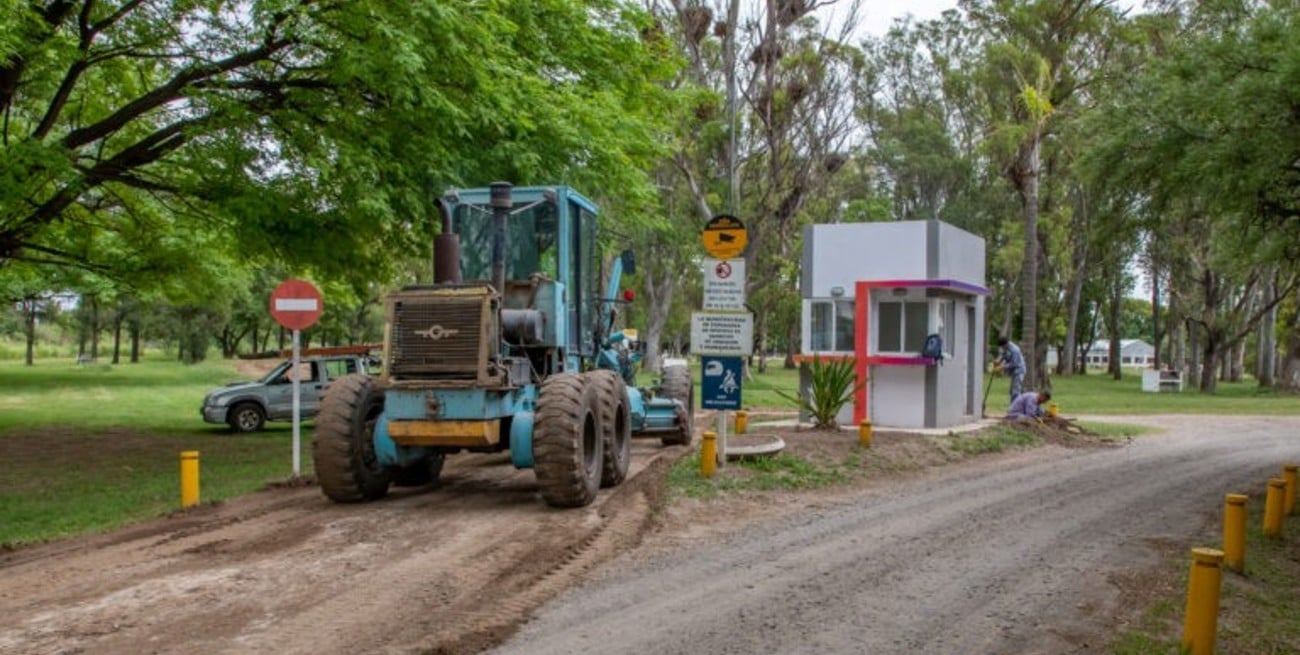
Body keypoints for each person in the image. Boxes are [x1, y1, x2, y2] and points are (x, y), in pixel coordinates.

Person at [996, 336, 1025, 403]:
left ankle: (1015, 408)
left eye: (1002, 346)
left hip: (1019, 371)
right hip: (1014, 372)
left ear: (1005, 344)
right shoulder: (1006, 348)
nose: (1002, 348)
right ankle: (1014, 406)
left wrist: (1001, 367)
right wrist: (998, 361)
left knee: (1016, 391)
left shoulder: (1015, 350)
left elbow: (1014, 364)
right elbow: (1004, 355)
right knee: (1012, 391)